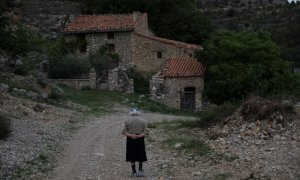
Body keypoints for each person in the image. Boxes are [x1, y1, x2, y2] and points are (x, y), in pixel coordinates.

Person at [122, 108, 147, 177]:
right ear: (138, 113)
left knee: (131, 155)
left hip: (130, 139)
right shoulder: (143, 121)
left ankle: (134, 172)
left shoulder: (127, 121)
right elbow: (146, 132)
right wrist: (138, 136)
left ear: (131, 113)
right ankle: (140, 171)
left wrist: (132, 135)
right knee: (140, 154)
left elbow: (124, 132)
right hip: (140, 139)